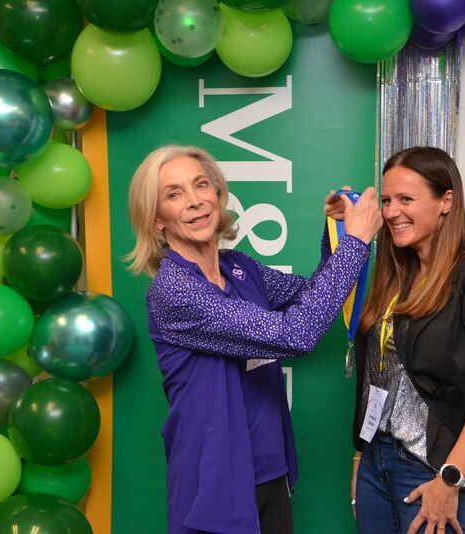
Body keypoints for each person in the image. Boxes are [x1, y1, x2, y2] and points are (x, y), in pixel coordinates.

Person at [125, 145, 382, 534]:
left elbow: (311, 294)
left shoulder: (240, 268)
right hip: (217, 487)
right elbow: (297, 333)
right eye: (173, 194)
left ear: (218, 194)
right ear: (156, 219)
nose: (194, 201)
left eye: (201, 185)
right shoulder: (175, 290)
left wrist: (338, 233)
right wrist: (357, 243)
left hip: (270, 473)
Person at [340, 146, 465, 534]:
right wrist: (363, 459)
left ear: (446, 201)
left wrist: (450, 478)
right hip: (377, 464)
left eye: (406, 199)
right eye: (386, 200)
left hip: (432, 471)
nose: (391, 212)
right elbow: (379, 375)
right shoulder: (396, 273)